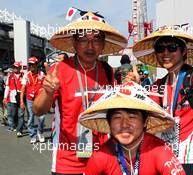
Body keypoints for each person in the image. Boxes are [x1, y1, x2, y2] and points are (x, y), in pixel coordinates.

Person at [32, 11, 127, 175]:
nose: (90, 46)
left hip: (103, 157)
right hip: (67, 161)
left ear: (103, 44)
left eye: (96, 40)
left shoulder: (107, 71)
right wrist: (48, 92)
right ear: (74, 42)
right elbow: (37, 110)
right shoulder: (60, 69)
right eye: (83, 40)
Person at [133, 26, 193, 175]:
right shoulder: (158, 85)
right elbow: (142, 117)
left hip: (191, 163)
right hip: (163, 159)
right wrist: (133, 86)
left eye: (172, 47)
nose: (165, 53)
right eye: (160, 48)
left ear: (184, 51)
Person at [79, 82, 185, 175]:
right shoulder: (101, 156)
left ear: (145, 122)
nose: (124, 124)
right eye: (117, 117)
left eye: (132, 117)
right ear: (109, 123)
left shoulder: (160, 150)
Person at [20, 56, 46, 143]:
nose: (31, 66)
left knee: (42, 117)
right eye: (30, 65)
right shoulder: (26, 75)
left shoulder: (41, 74)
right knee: (31, 117)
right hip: (29, 99)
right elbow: (23, 88)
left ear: (37, 65)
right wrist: (21, 101)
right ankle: (33, 135)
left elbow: (46, 85)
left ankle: (40, 132)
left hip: (40, 99)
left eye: (33, 64)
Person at [3, 62, 25, 137]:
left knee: (21, 115)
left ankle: (20, 130)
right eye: (14, 67)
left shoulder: (24, 76)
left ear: (20, 68)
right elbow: (7, 87)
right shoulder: (10, 76)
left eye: (16, 67)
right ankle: (13, 126)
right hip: (12, 98)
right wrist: (5, 97)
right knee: (13, 114)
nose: (15, 68)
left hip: (21, 98)